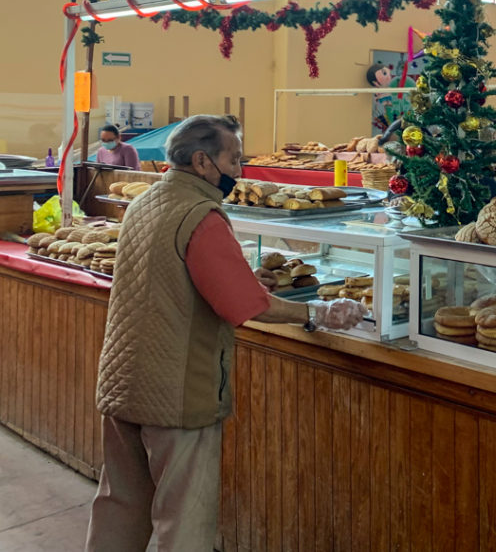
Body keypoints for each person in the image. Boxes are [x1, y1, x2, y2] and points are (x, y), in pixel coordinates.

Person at [85, 114, 364, 551]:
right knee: (184, 518)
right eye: (233, 159)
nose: (239, 170)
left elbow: (174, 276)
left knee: (121, 503)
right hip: (177, 391)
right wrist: (317, 312)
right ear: (202, 161)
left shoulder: (145, 202)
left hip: (123, 382)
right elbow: (243, 306)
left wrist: (242, 275)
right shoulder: (200, 214)